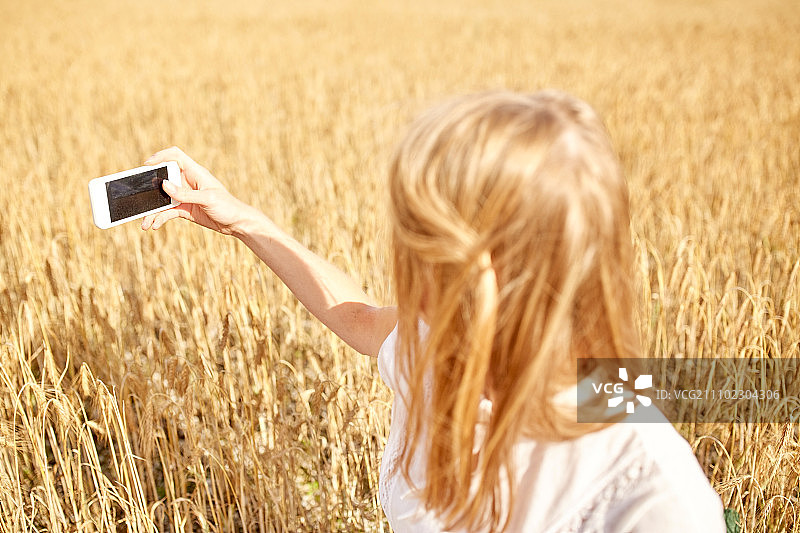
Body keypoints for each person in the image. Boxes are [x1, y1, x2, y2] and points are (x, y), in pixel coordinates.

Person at [141, 90, 726, 532]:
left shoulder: (654, 501)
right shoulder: (444, 346)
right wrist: (243, 219)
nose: (406, 267)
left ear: (481, 277)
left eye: (420, 246)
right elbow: (363, 318)